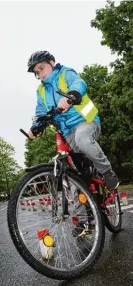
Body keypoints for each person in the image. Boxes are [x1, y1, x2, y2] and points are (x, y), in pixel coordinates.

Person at [27, 50, 119, 190]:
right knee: (73, 174)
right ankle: (83, 206)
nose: (40, 74)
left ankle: (107, 171)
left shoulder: (65, 73)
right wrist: (36, 127)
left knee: (82, 140)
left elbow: (78, 83)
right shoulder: (40, 90)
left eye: (41, 68)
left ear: (52, 63)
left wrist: (71, 96)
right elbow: (40, 110)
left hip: (85, 121)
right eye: (37, 72)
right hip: (66, 132)